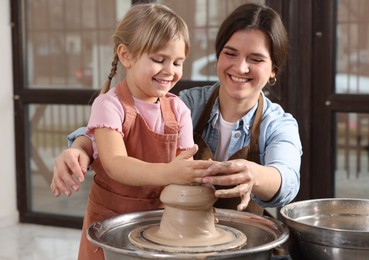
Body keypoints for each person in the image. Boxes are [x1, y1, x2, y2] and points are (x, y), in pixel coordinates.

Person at [52, 3, 302, 219]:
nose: (241, 67)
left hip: (241, 240)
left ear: (273, 70)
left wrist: (255, 175)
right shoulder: (187, 104)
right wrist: (80, 147)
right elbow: (115, 130)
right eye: (230, 53)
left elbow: (287, 181)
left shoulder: (279, 124)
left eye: (256, 59)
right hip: (172, 229)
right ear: (218, 56)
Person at [65, 3, 218, 259]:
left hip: (160, 226)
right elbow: (115, 164)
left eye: (178, 62)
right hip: (109, 227)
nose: (170, 71)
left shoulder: (178, 109)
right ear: (126, 55)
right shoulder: (109, 105)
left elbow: (184, 170)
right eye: (159, 59)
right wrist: (169, 172)